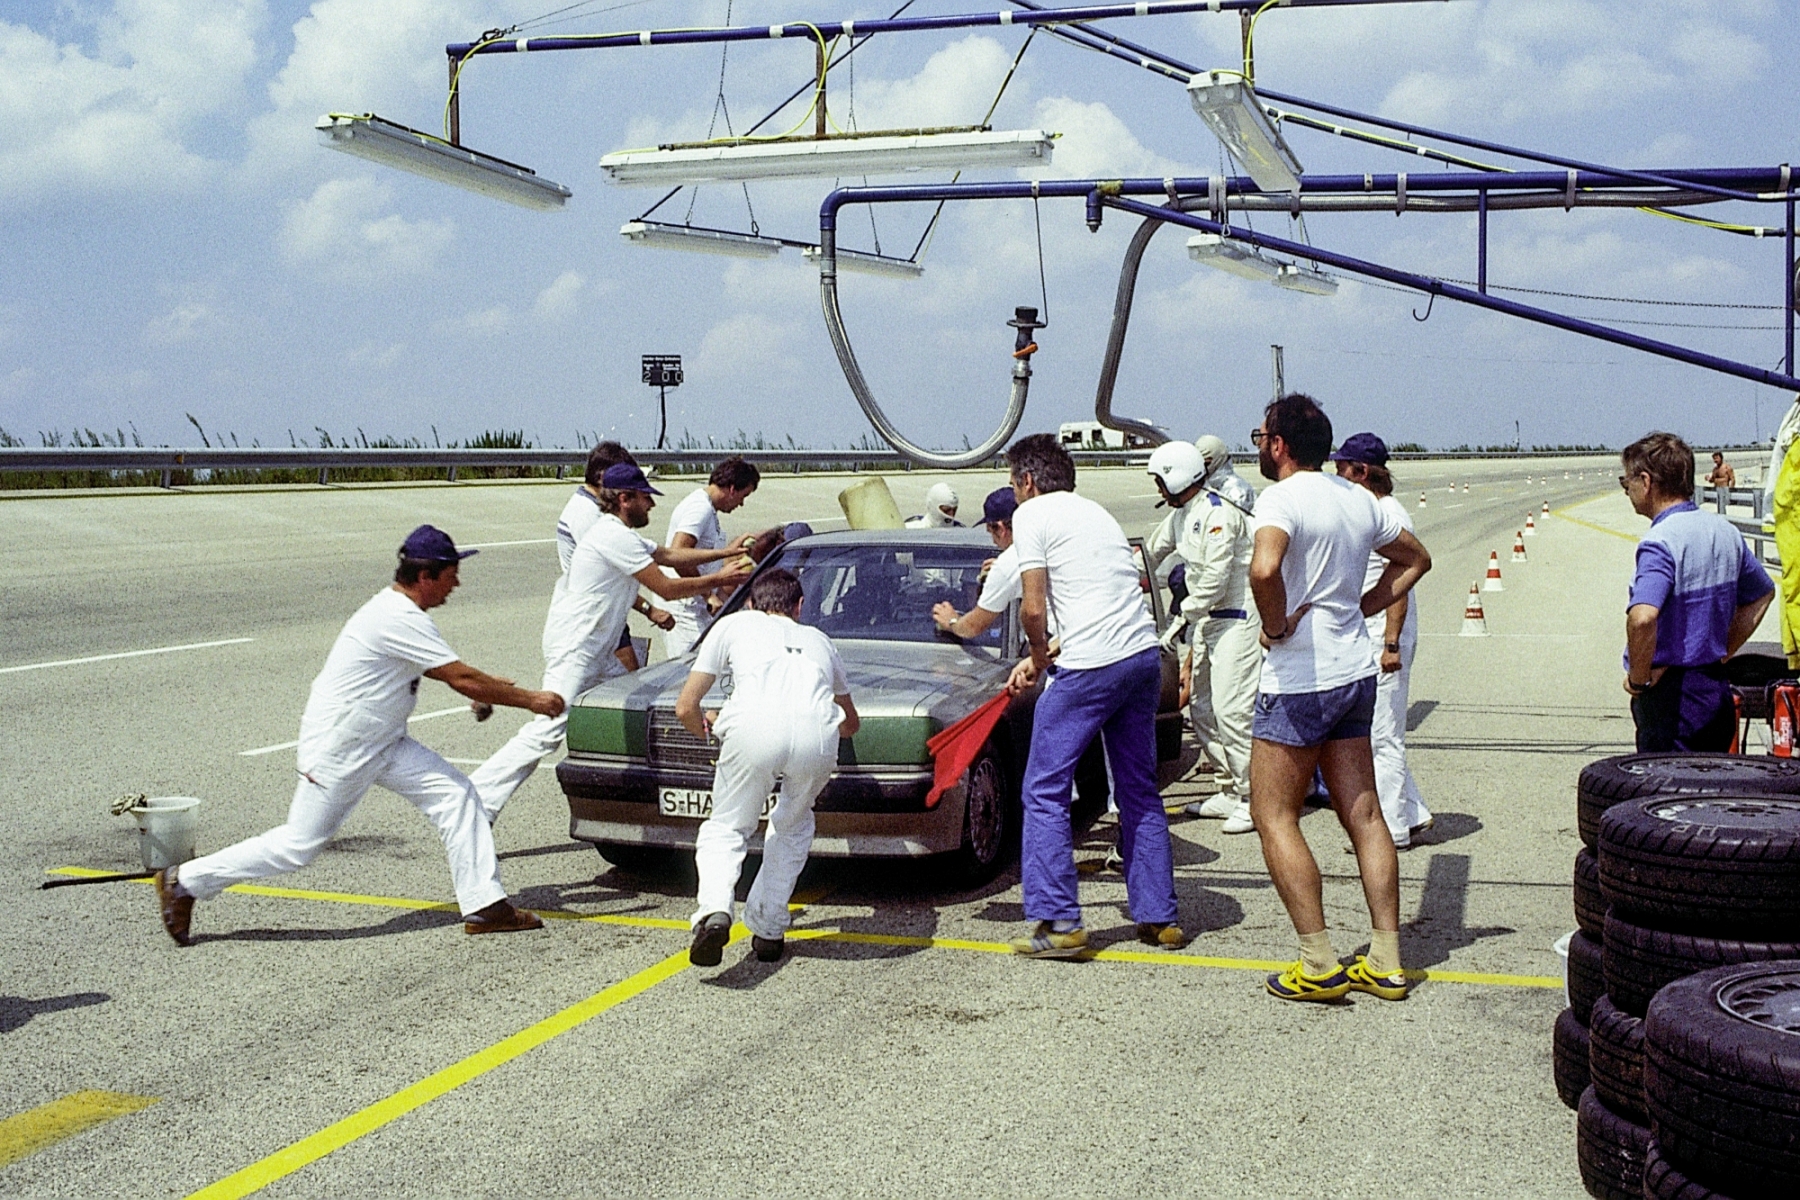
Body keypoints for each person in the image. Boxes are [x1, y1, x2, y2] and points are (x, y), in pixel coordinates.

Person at [153, 526, 565, 945]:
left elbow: (452, 672)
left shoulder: (402, 614)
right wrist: (533, 700)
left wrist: (488, 686)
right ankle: (184, 881)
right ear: (425, 577)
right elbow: (460, 677)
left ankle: (485, 905)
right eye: (451, 574)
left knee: (457, 795)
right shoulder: (397, 616)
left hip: (382, 741)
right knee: (299, 845)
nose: (456, 584)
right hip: (342, 745)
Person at [1247, 395, 1431, 1003]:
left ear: (1279, 445)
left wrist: (1275, 629)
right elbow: (1416, 559)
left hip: (1299, 678)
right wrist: (1365, 607)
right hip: (1355, 672)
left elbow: (1264, 571)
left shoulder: (1280, 498)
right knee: (1366, 814)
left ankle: (1318, 959)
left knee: (1275, 816)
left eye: (1261, 437)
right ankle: (1386, 957)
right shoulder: (1357, 498)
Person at [470, 464, 755, 823]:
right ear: (625, 499)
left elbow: (668, 556)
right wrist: (719, 579)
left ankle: (648, 800)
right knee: (547, 730)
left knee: (629, 705)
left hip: (598, 650)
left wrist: (721, 555)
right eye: (645, 498)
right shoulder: (613, 536)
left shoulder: (622, 534)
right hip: (577, 647)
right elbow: (665, 586)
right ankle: (477, 801)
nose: (651, 506)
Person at [1003, 433, 1181, 957]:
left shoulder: (1032, 516)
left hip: (1089, 667)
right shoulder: (1095, 514)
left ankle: (1058, 924)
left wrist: (1037, 657)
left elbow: (1033, 608)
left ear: (1028, 481)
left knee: (1043, 791)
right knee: (1139, 790)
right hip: (1141, 658)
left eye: (1014, 485)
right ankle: (1159, 917)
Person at [678, 569, 859, 967]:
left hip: (753, 730)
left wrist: (710, 731)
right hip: (817, 736)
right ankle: (769, 929)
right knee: (793, 828)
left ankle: (714, 912)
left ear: (751, 603)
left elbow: (685, 706)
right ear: (799, 607)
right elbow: (850, 723)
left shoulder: (732, 624)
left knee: (727, 825)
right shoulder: (820, 640)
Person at [1621, 432, 1773, 750]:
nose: (1628, 491)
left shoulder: (1660, 542)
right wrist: (1723, 652)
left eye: (1627, 482)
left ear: (1646, 481)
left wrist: (1639, 678)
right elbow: (1763, 593)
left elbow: (1643, 618)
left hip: (1671, 698)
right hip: (1714, 688)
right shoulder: (1725, 532)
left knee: (1671, 793)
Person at [1145, 439, 1260, 834]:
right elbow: (1150, 554)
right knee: (1202, 708)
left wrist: (1179, 620)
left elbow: (1214, 578)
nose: (1158, 491)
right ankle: (1227, 788)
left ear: (1177, 478)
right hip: (1207, 621)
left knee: (1232, 711)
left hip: (1238, 619)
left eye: (1161, 482)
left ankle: (1252, 798)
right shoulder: (1181, 516)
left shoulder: (1218, 513)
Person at [1331, 433, 1433, 849]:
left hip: (1386, 637)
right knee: (1377, 729)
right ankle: (1414, 812)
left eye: (1343, 468)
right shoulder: (1370, 509)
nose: (1337, 474)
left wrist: (1390, 643)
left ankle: (1390, 830)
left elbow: (1400, 583)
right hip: (1373, 633)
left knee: (1382, 736)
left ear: (1362, 471)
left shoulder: (1389, 512)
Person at [556, 441, 673, 672]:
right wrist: (651, 610)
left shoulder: (589, 507)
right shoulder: (588, 515)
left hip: (605, 612)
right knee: (625, 688)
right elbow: (654, 578)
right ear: (602, 478)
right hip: (597, 618)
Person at [662, 456, 762, 658]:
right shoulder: (700, 509)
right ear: (732, 489)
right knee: (692, 666)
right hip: (685, 607)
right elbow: (678, 553)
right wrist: (709, 595)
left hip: (697, 604)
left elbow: (703, 556)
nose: (741, 504)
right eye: (743, 496)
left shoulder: (708, 509)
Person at [932, 487, 1023, 641]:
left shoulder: (1008, 564)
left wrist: (952, 621)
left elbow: (974, 626)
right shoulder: (1044, 547)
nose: (993, 541)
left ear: (1000, 529)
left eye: (990, 531)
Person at [1195, 433, 1257, 514]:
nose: (1203, 469)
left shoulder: (1238, 491)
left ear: (1219, 460)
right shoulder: (1203, 488)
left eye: (1206, 464)